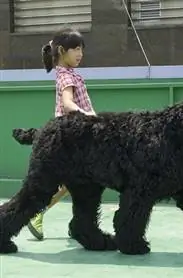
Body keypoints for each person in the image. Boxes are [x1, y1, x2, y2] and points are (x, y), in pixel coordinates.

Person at [27, 28, 96, 240]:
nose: (80, 53)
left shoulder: (68, 73)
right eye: (75, 49)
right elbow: (67, 104)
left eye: (81, 49)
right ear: (61, 51)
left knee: (75, 180)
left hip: (71, 134)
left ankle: (77, 223)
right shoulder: (66, 76)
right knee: (76, 179)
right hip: (70, 136)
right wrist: (90, 116)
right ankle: (37, 212)